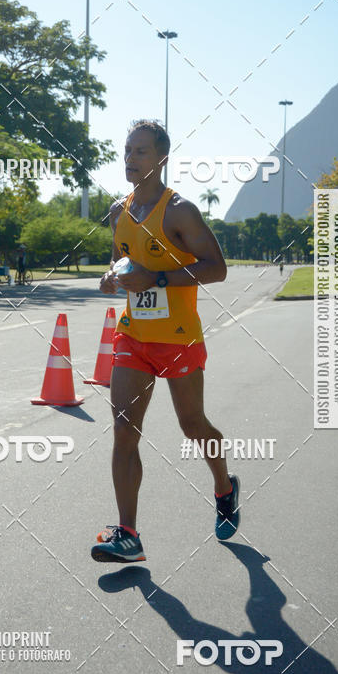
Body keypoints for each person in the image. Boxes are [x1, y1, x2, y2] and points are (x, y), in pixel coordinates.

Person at [91, 120, 240, 564]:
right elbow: (122, 263)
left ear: (161, 158)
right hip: (133, 335)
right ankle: (128, 534)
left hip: (178, 340)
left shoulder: (180, 212)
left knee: (192, 426)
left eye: (140, 151)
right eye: (126, 150)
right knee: (123, 430)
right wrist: (111, 279)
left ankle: (225, 487)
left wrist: (156, 277)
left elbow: (216, 267)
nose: (130, 158)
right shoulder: (119, 211)